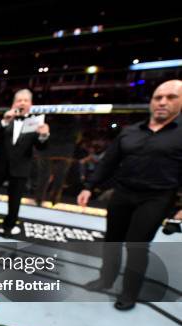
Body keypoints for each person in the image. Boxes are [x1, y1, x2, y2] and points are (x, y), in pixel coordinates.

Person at [78, 79, 182, 311]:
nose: (163, 102)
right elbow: (108, 163)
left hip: (157, 197)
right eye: (158, 97)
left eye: (171, 97)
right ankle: (105, 279)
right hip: (123, 193)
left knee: (137, 245)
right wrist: (89, 186)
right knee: (112, 240)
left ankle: (129, 292)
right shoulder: (130, 132)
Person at [0, 89, 50, 237]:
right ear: (13, 104)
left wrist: (44, 135)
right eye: (19, 100)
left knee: (15, 201)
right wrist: (4, 121)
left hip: (21, 168)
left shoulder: (37, 123)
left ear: (31, 104)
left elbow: (41, 146)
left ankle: (8, 227)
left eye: (26, 100)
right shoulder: (6, 120)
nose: (22, 103)